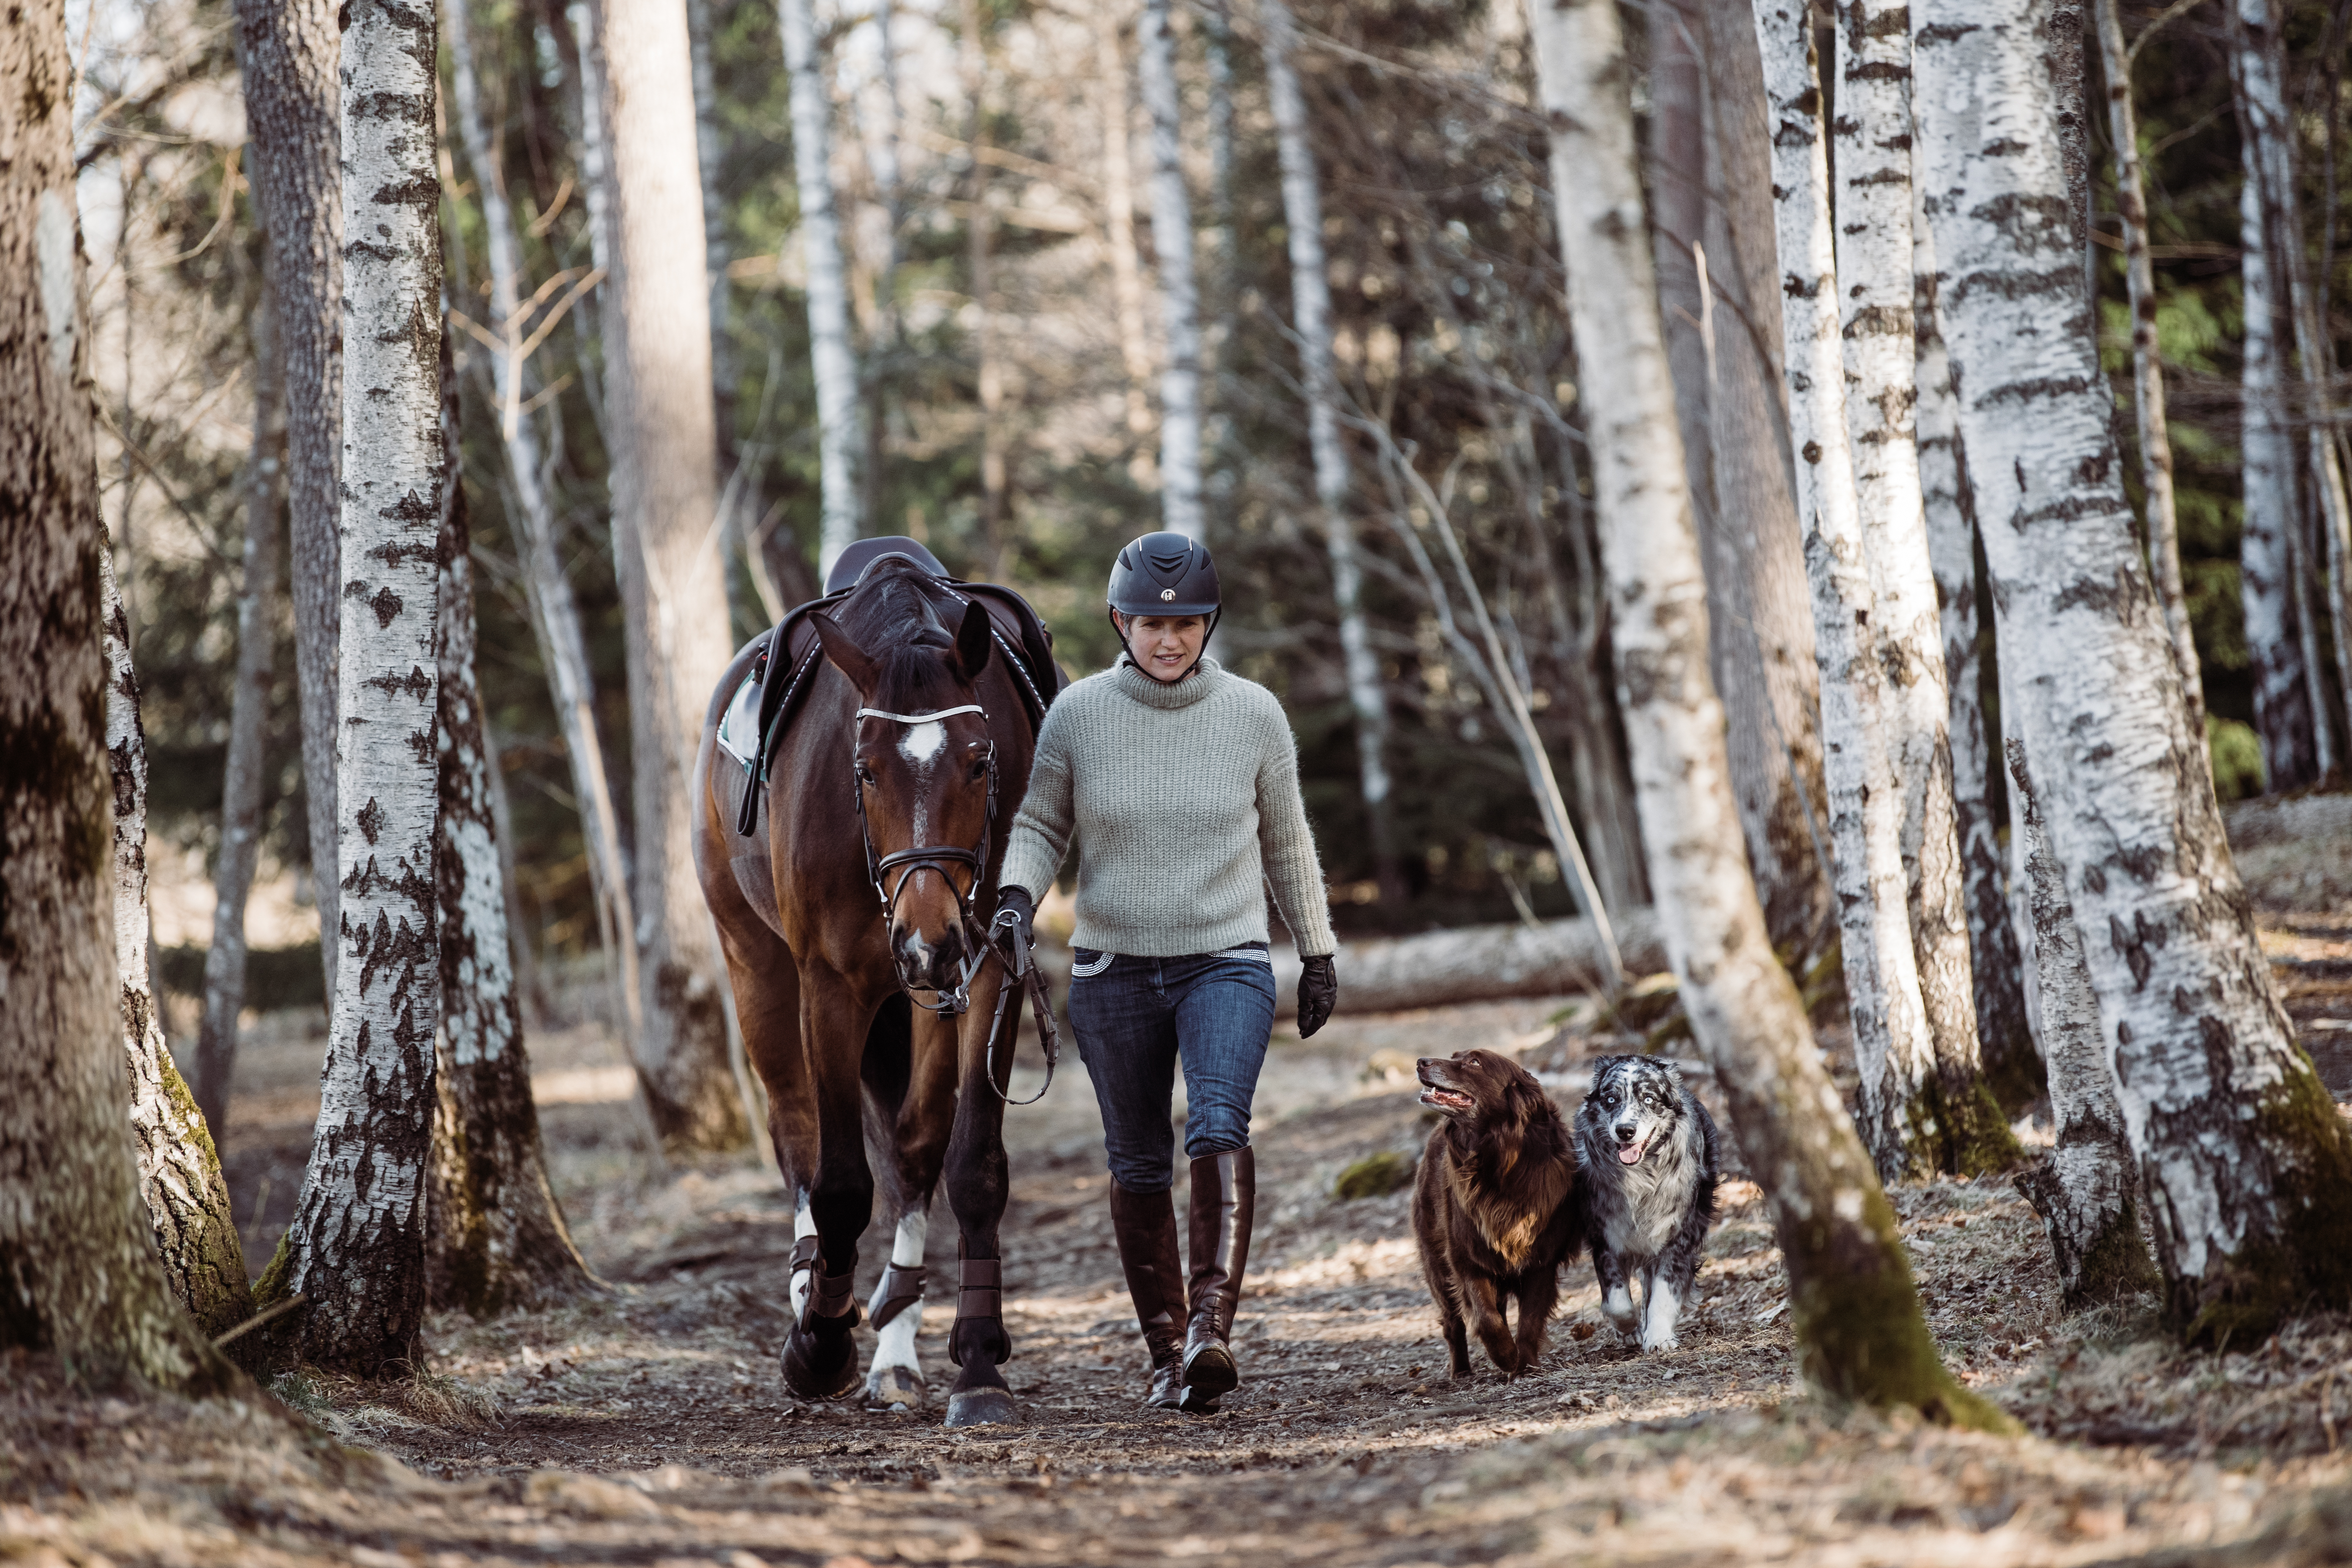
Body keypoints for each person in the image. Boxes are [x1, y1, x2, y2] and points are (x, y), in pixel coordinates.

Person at [992, 531, 1340, 1414]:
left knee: (1219, 1122)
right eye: (1151, 622)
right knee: (1138, 1161)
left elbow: (1287, 838)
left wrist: (1319, 948)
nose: (1169, 639)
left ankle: (1209, 1331)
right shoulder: (1076, 715)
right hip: (1111, 971)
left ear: (1208, 622)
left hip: (1225, 958)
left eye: (1185, 622)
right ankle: (1163, 1351)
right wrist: (1013, 900)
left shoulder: (1255, 714)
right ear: (1120, 621)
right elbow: (1039, 824)